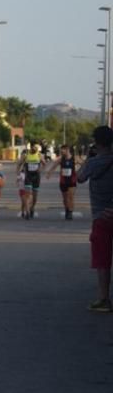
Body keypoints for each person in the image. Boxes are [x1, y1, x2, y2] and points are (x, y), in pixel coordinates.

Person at [76, 125, 113, 313]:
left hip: (101, 217)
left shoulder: (93, 163)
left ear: (96, 143)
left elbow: (79, 178)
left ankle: (104, 299)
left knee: (103, 261)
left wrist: (89, 158)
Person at [48, 145, 78, 220]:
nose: (61, 152)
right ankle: (67, 210)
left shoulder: (74, 158)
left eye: (62, 150)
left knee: (71, 197)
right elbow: (54, 166)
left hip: (72, 181)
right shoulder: (61, 159)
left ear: (67, 150)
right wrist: (49, 173)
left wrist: (80, 172)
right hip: (63, 181)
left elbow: (84, 164)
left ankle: (70, 212)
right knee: (65, 198)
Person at [18, 144, 44, 219]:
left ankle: (32, 207)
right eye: (33, 147)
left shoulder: (39, 155)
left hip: (36, 177)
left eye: (36, 147)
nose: (35, 148)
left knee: (35, 197)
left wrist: (40, 169)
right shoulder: (26, 155)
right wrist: (18, 173)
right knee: (27, 195)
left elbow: (44, 164)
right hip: (28, 177)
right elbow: (19, 164)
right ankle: (27, 212)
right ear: (31, 148)